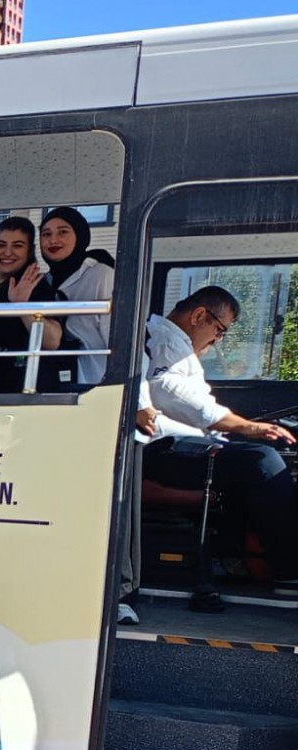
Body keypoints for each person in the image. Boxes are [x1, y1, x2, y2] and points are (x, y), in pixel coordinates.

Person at [138, 287, 297, 588]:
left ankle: (236, 558)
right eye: (220, 330)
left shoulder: (179, 345)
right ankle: (287, 568)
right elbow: (166, 390)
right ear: (199, 315)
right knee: (262, 461)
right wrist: (243, 426)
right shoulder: (162, 342)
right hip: (161, 447)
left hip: (188, 440)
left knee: (261, 453)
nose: (217, 340)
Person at [0, 217, 71, 394]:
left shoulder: (37, 287)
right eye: (0, 245)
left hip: (22, 392)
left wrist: (21, 305)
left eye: (17, 246)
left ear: (30, 251)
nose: (7, 252)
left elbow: (52, 341)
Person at [39, 207, 116, 384]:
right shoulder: (42, 282)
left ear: (80, 236)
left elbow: (118, 341)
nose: (53, 240)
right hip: (55, 384)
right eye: (46, 234)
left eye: (63, 232)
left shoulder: (102, 276)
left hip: (98, 382)